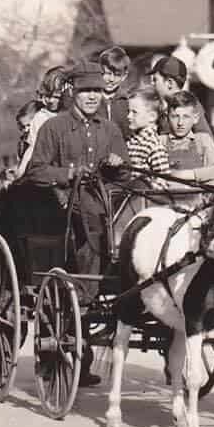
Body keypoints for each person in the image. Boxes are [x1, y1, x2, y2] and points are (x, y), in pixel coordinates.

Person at [24, 59, 129, 387]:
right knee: (90, 222)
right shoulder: (53, 127)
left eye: (97, 91)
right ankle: (85, 295)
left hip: (102, 205)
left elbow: (124, 175)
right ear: (73, 92)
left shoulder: (110, 130)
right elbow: (36, 171)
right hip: (61, 206)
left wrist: (116, 163)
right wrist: (68, 173)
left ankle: (123, 273)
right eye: (86, 91)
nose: (92, 97)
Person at [161, 91, 214, 210]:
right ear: (167, 117)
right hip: (166, 203)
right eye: (175, 116)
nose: (180, 123)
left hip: (195, 206)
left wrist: (185, 174)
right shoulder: (160, 141)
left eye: (186, 117)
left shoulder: (202, 140)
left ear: (195, 118)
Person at [16, 65, 68, 178]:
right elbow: (33, 147)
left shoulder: (72, 115)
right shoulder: (40, 117)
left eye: (56, 97)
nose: (50, 100)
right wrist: (20, 170)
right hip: (50, 170)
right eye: (47, 96)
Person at [148, 57, 213, 136]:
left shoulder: (190, 104)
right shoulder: (162, 107)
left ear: (169, 83)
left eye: (155, 80)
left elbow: (206, 139)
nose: (152, 84)